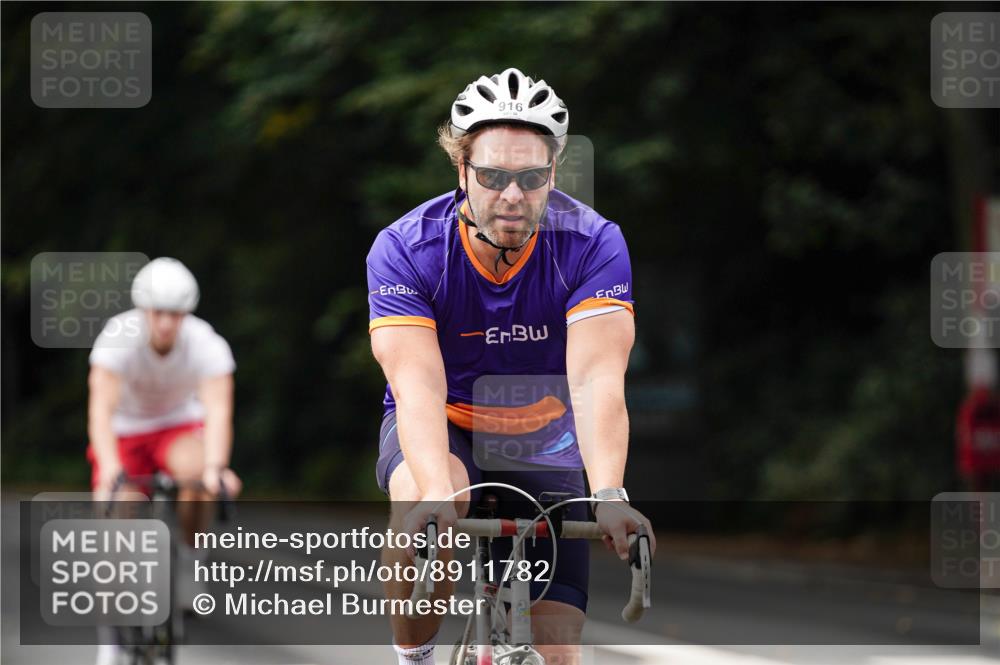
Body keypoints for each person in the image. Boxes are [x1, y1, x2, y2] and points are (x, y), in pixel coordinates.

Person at [367, 67, 655, 665]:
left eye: (531, 177)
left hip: (541, 435)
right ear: (462, 169)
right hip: (445, 425)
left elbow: (598, 379)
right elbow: (416, 384)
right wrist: (433, 492)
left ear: (554, 172)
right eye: (494, 176)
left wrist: (609, 492)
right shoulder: (407, 249)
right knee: (429, 517)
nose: (513, 195)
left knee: (557, 653)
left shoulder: (592, 243)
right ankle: (412, 658)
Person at [86, 257, 241, 664]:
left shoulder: (206, 343)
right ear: (143, 310)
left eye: (176, 314)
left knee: (198, 475)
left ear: (186, 313)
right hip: (123, 432)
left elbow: (218, 412)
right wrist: (110, 468)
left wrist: (215, 468)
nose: (167, 323)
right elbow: (100, 409)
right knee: (116, 521)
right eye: (159, 313)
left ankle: (191, 560)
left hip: (176, 427)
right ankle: (111, 643)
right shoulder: (116, 338)